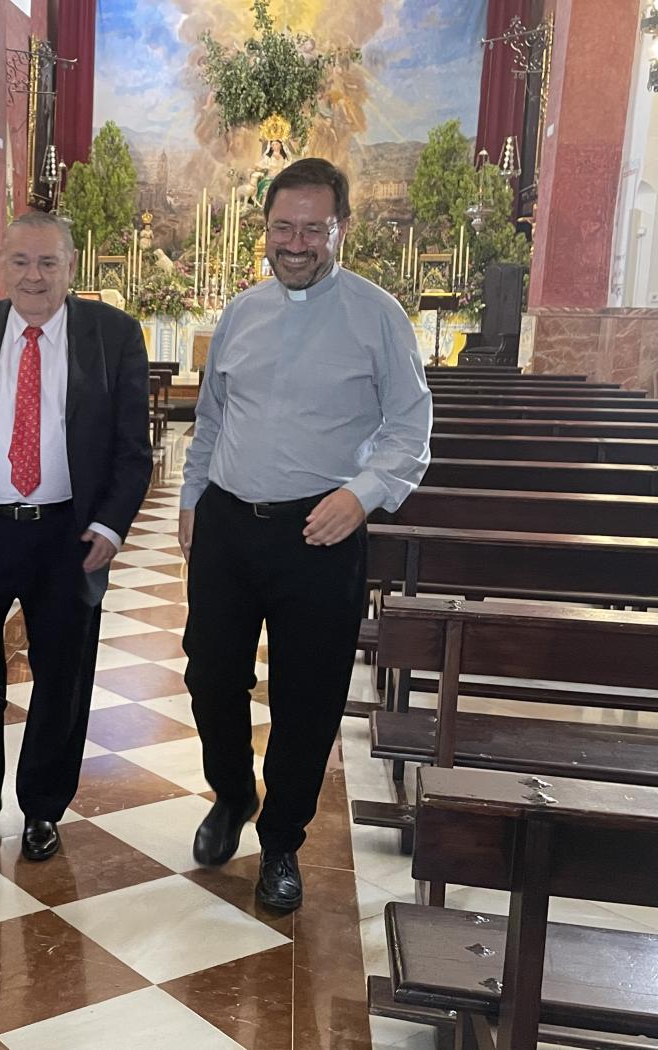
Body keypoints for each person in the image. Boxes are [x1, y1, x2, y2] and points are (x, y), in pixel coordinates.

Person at [179, 158, 431, 911]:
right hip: (228, 521)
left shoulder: (378, 315)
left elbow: (411, 427)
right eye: (283, 227)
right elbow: (213, 417)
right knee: (209, 673)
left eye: (313, 228)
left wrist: (363, 495)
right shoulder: (241, 313)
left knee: (308, 694)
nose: (297, 243)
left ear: (339, 229)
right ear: (265, 231)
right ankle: (230, 794)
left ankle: (282, 838)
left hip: (321, 531)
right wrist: (192, 499)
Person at [0, 211, 151, 862]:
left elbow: (135, 451)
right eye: (20, 261)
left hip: (67, 535)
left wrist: (108, 525)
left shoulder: (114, 336)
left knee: (62, 677)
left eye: (48, 263)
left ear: (72, 267)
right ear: (2, 263)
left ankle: (43, 807)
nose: (34, 276)